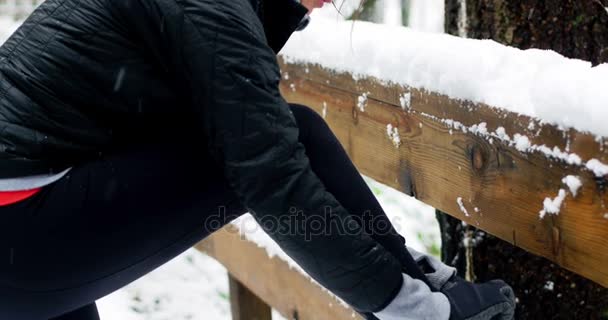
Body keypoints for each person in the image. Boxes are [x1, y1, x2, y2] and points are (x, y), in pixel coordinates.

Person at [0, 0, 516, 319]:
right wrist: (413, 306)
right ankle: (426, 303)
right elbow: (272, 178)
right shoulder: (211, 12)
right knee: (299, 138)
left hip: (26, 223)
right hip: (20, 226)